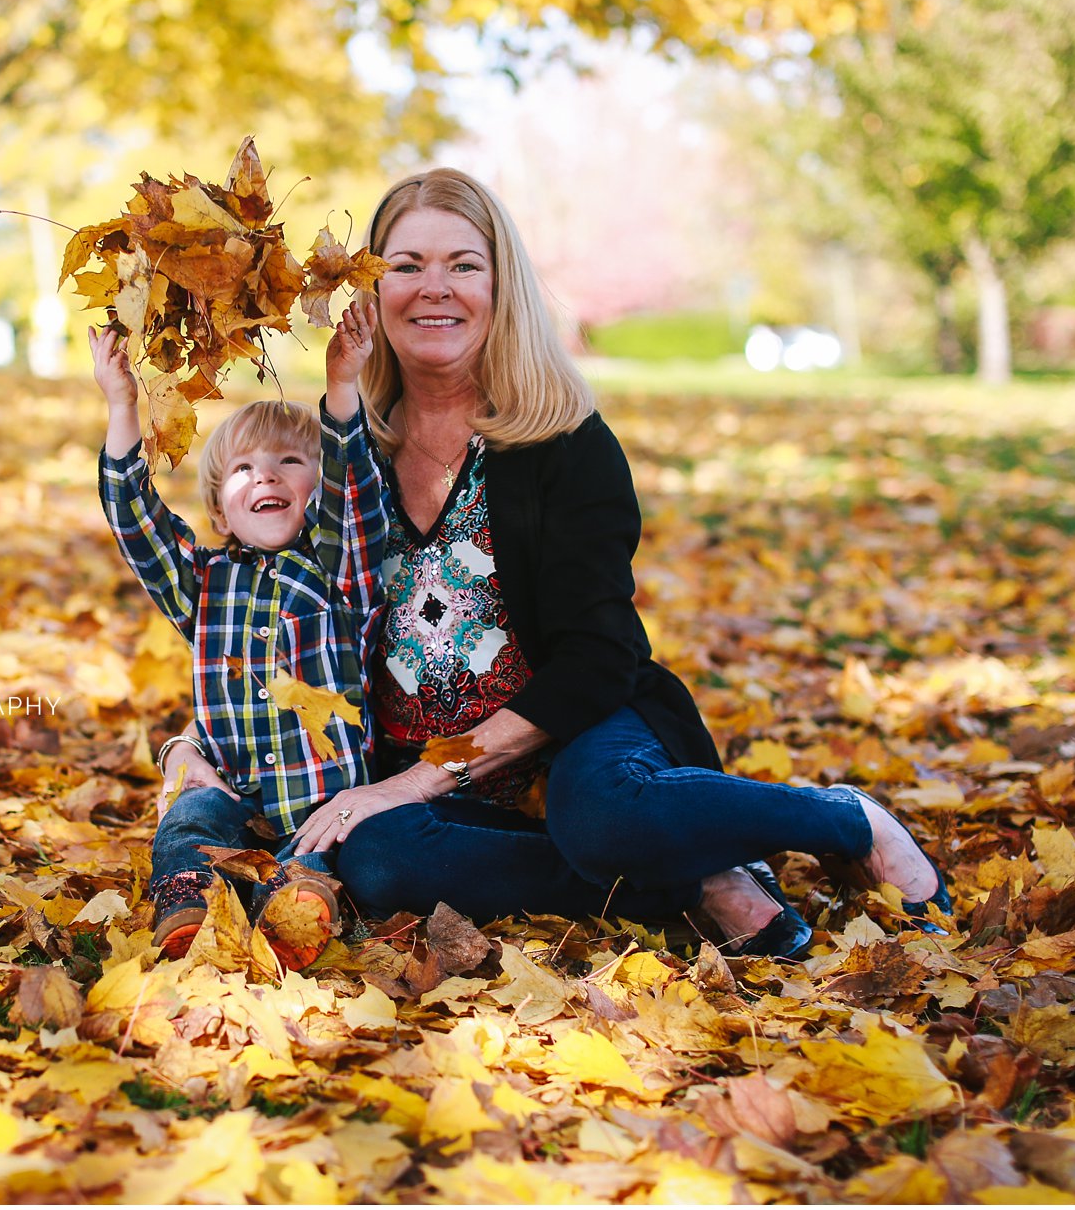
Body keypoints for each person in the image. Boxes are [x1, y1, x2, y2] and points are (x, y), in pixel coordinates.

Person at [287, 168, 952, 957]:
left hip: (577, 733)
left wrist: (426, 775)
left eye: (464, 264)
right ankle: (687, 878)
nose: (436, 288)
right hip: (438, 782)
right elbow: (275, 607)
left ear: (503, 286)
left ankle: (844, 820)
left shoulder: (564, 443)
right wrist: (194, 747)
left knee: (606, 814)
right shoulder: (343, 455)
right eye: (407, 265)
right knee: (379, 856)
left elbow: (600, 660)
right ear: (372, 287)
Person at [90, 299, 388, 969]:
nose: (268, 475)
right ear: (221, 504)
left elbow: (355, 499)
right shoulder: (204, 581)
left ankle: (297, 907)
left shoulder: (334, 570)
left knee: (313, 854)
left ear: (316, 487)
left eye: (289, 461)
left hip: (318, 797)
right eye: (245, 470)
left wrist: (343, 388)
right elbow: (137, 524)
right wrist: (121, 406)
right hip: (228, 786)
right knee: (187, 822)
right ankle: (190, 905)